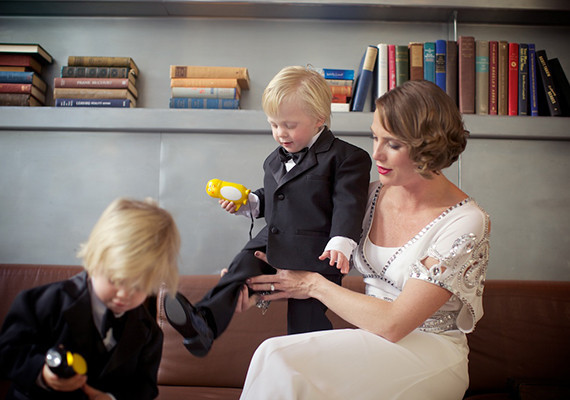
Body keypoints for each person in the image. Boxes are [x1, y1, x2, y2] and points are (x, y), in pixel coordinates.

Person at [239, 79, 491, 400]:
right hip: (373, 341)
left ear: (428, 146)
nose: (377, 154)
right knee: (272, 354)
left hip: (430, 352)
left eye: (393, 144)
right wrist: (251, 276)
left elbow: (395, 324)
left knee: (280, 359)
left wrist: (312, 285)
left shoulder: (465, 221)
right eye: (375, 137)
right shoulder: (369, 195)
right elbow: (298, 231)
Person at [163, 65, 372, 357]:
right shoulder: (274, 160)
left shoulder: (347, 158)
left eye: (289, 125)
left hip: (314, 256)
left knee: (306, 327)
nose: (280, 133)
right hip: (270, 243)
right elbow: (279, 196)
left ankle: (314, 365)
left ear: (319, 119)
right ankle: (203, 324)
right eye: (273, 125)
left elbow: (349, 202)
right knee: (238, 273)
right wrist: (251, 202)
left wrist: (342, 240)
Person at [0, 198, 180, 400]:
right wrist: (41, 373)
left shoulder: (149, 331)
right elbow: (7, 352)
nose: (124, 294)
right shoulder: (42, 303)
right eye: (115, 280)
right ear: (95, 260)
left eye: (139, 287)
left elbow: (146, 387)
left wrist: (111, 398)